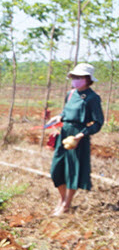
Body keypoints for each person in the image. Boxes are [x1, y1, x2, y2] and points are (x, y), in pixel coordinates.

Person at [47, 63, 104, 215]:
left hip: (78, 135)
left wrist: (80, 136)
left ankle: (66, 204)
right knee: (56, 170)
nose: (76, 80)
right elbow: (66, 112)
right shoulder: (70, 94)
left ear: (88, 79)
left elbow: (98, 122)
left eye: (79, 77)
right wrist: (59, 117)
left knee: (73, 170)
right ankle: (62, 198)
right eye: (74, 77)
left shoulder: (92, 98)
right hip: (64, 132)